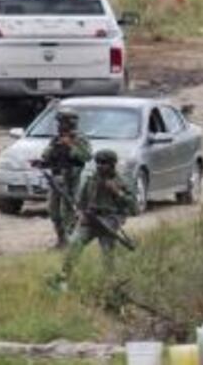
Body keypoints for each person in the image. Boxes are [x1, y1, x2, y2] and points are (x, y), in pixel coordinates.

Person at [59, 150, 137, 283]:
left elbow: (133, 206)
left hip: (109, 220)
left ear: (112, 164)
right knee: (74, 244)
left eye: (104, 163)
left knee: (108, 253)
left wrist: (117, 192)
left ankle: (111, 282)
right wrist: (80, 213)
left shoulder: (122, 181)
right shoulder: (91, 180)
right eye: (98, 163)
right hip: (90, 219)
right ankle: (64, 277)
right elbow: (81, 201)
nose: (100, 166)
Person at [35, 107, 92, 248]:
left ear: (71, 123)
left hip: (72, 180)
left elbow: (86, 156)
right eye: (59, 122)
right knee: (54, 211)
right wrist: (41, 162)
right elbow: (47, 156)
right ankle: (61, 240)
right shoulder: (56, 139)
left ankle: (71, 241)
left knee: (69, 211)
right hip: (56, 179)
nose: (59, 125)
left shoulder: (79, 139)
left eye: (63, 122)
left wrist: (70, 145)